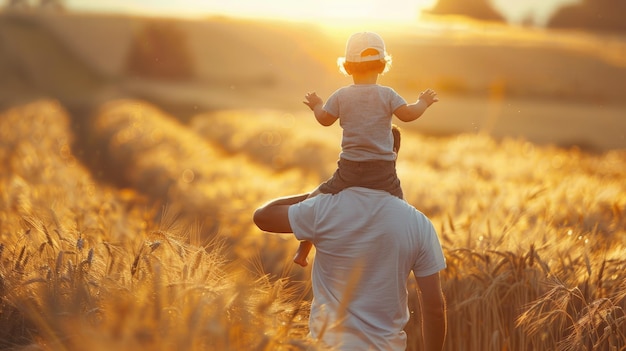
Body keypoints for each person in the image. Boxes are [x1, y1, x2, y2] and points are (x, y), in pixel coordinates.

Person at [292, 31, 439, 266]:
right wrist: (423, 102)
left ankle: (302, 250)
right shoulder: (388, 95)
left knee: (314, 201)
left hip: (349, 169)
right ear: (382, 66)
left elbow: (325, 120)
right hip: (383, 171)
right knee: (402, 210)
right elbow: (409, 115)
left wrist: (317, 105)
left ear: (348, 67)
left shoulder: (341, 96)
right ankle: (409, 255)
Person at [252, 186, 447, 350]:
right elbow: (434, 308)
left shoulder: (324, 208)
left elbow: (263, 216)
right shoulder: (418, 222)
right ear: (391, 154)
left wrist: (322, 191)